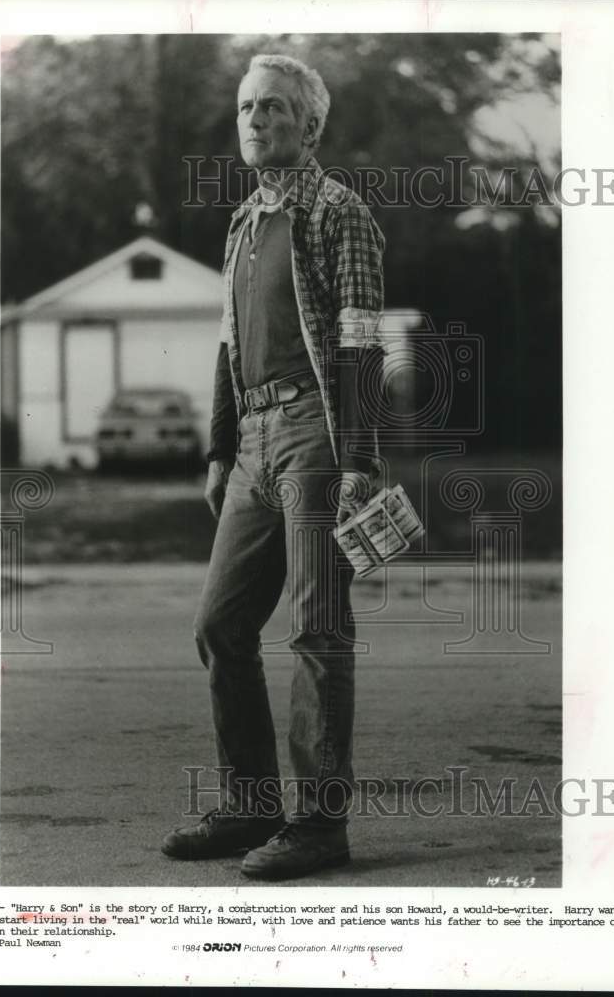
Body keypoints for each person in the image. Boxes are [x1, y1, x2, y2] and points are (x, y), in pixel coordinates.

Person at [161, 53, 385, 879]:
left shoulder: (339, 214)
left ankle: (320, 829)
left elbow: (361, 343)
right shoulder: (245, 220)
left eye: (276, 109)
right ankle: (250, 807)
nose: (256, 120)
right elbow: (228, 343)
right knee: (221, 626)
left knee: (318, 630)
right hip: (253, 442)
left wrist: (360, 459)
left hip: (316, 437)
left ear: (310, 125)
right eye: (247, 107)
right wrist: (221, 447)